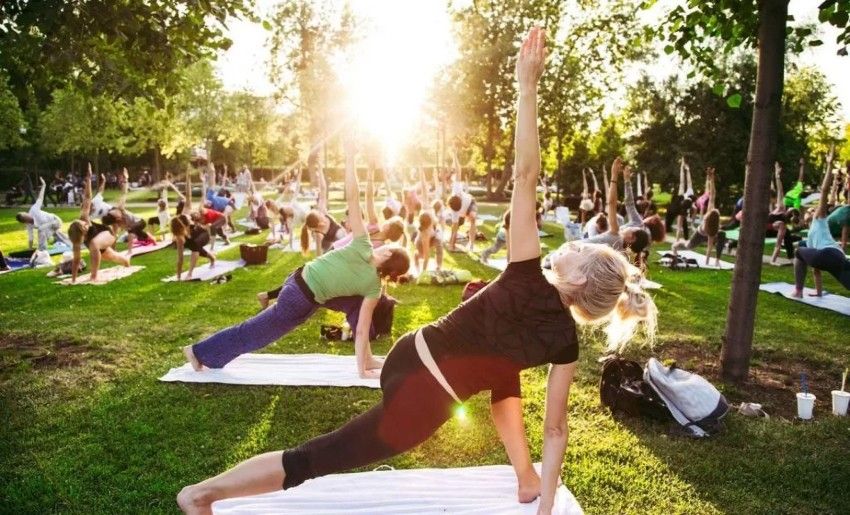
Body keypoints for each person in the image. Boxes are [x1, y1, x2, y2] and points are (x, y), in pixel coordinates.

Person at [177, 27, 656, 515]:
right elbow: (556, 429)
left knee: (503, 374)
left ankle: (525, 481)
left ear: (577, 279)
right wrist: (550, 506)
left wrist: (526, 89)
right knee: (320, 457)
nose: (571, 245)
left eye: (577, 250)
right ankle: (201, 495)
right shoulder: (564, 341)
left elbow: (525, 175)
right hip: (426, 397)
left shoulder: (527, 272)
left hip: (414, 354)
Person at [182, 133, 410, 379]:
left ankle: (367, 358)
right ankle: (198, 352)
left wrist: (362, 367)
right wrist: (351, 158)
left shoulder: (367, 264)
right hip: (299, 297)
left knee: (353, 304)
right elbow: (355, 197)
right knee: (256, 332)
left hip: (301, 281)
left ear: (387, 254)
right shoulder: (371, 277)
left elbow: (363, 327)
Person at [793, 163, 850, 297]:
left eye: (812, 210)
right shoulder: (812, 240)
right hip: (835, 256)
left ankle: (798, 291)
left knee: (798, 251)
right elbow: (816, 270)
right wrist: (818, 293)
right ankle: (807, 291)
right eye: (808, 210)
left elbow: (824, 191)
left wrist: (829, 165)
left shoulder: (819, 219)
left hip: (829, 253)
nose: (809, 211)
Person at [67, 165, 130, 283]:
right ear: (81, 235)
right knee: (113, 257)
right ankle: (126, 261)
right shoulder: (76, 240)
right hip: (98, 243)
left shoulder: (84, 217)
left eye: (85, 225)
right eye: (85, 228)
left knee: (94, 244)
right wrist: (73, 280)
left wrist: (89, 179)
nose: (86, 225)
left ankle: (94, 277)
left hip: (107, 233)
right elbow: (76, 260)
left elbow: (87, 197)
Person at [582, 160, 651, 265]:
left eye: (633, 230)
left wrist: (614, 176)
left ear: (632, 238)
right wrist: (627, 180)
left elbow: (612, 204)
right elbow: (629, 203)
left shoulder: (616, 233)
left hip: (583, 249)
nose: (630, 228)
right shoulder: (622, 252)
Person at [171, 168, 217, 281]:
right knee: (195, 247)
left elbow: (188, 196)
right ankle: (212, 258)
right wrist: (178, 277)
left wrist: (188, 178)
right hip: (193, 241)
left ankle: (190, 273)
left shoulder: (186, 213)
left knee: (195, 246)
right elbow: (180, 258)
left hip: (203, 235)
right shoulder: (179, 238)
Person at [672, 167, 723, 265]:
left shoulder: (714, 229)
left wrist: (707, 264)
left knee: (721, 235)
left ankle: (717, 260)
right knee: (688, 246)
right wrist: (711, 178)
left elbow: (709, 247)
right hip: (699, 234)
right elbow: (712, 194)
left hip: (707, 233)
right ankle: (676, 245)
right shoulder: (710, 211)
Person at [15, 176, 71, 251]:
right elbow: (31, 237)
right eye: (25, 218)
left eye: (26, 215)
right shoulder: (29, 225)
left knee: (41, 229)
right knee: (60, 238)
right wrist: (30, 248)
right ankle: (69, 241)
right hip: (49, 229)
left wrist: (44, 185)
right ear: (25, 221)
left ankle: (42, 250)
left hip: (56, 221)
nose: (28, 217)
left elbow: (40, 197)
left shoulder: (33, 210)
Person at [300, 166, 346, 255]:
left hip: (340, 236)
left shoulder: (321, 211)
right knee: (329, 253)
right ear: (318, 225)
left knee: (341, 235)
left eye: (320, 215)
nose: (322, 218)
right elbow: (318, 255)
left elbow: (323, 189)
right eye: (321, 220)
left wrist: (320, 170)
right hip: (328, 246)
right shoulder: (318, 234)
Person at [413, 168, 445, 273]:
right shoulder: (425, 234)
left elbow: (424, 189)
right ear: (429, 224)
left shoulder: (426, 209)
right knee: (420, 255)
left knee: (439, 243)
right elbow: (427, 256)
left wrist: (422, 172)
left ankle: (438, 267)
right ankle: (416, 260)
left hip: (433, 235)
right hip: (421, 243)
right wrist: (423, 273)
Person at [446, 150, 478, 252]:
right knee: (455, 227)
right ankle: (452, 243)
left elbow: (459, 170)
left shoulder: (456, 189)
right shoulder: (454, 212)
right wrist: (451, 245)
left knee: (472, 218)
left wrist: (455, 155)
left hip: (471, 202)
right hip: (463, 212)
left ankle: (471, 244)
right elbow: (454, 229)